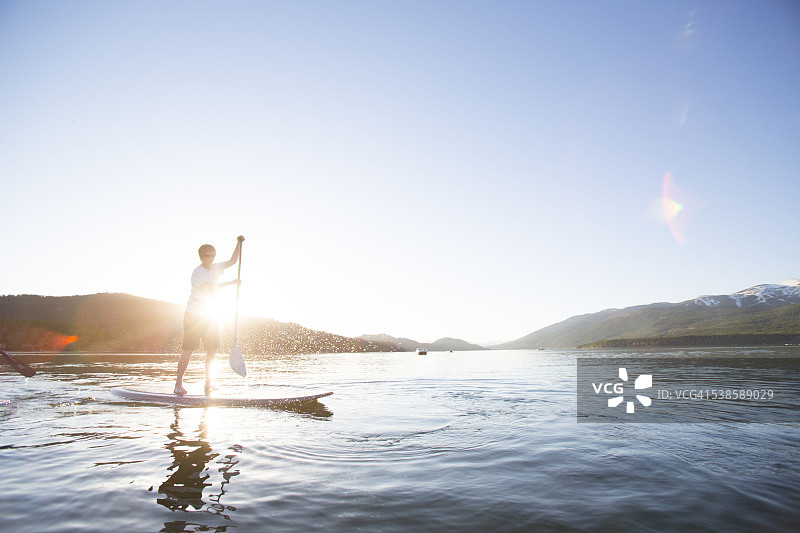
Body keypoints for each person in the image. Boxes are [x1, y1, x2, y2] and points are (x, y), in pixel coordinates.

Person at [174, 235, 244, 396]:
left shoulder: (215, 267)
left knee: (212, 350)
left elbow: (233, 261)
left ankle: (208, 383)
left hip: (210, 316)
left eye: (213, 255)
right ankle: (178, 384)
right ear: (201, 256)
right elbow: (208, 289)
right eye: (208, 255)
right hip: (193, 316)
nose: (211, 258)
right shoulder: (197, 273)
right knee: (188, 349)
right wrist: (231, 283)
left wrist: (238, 244)